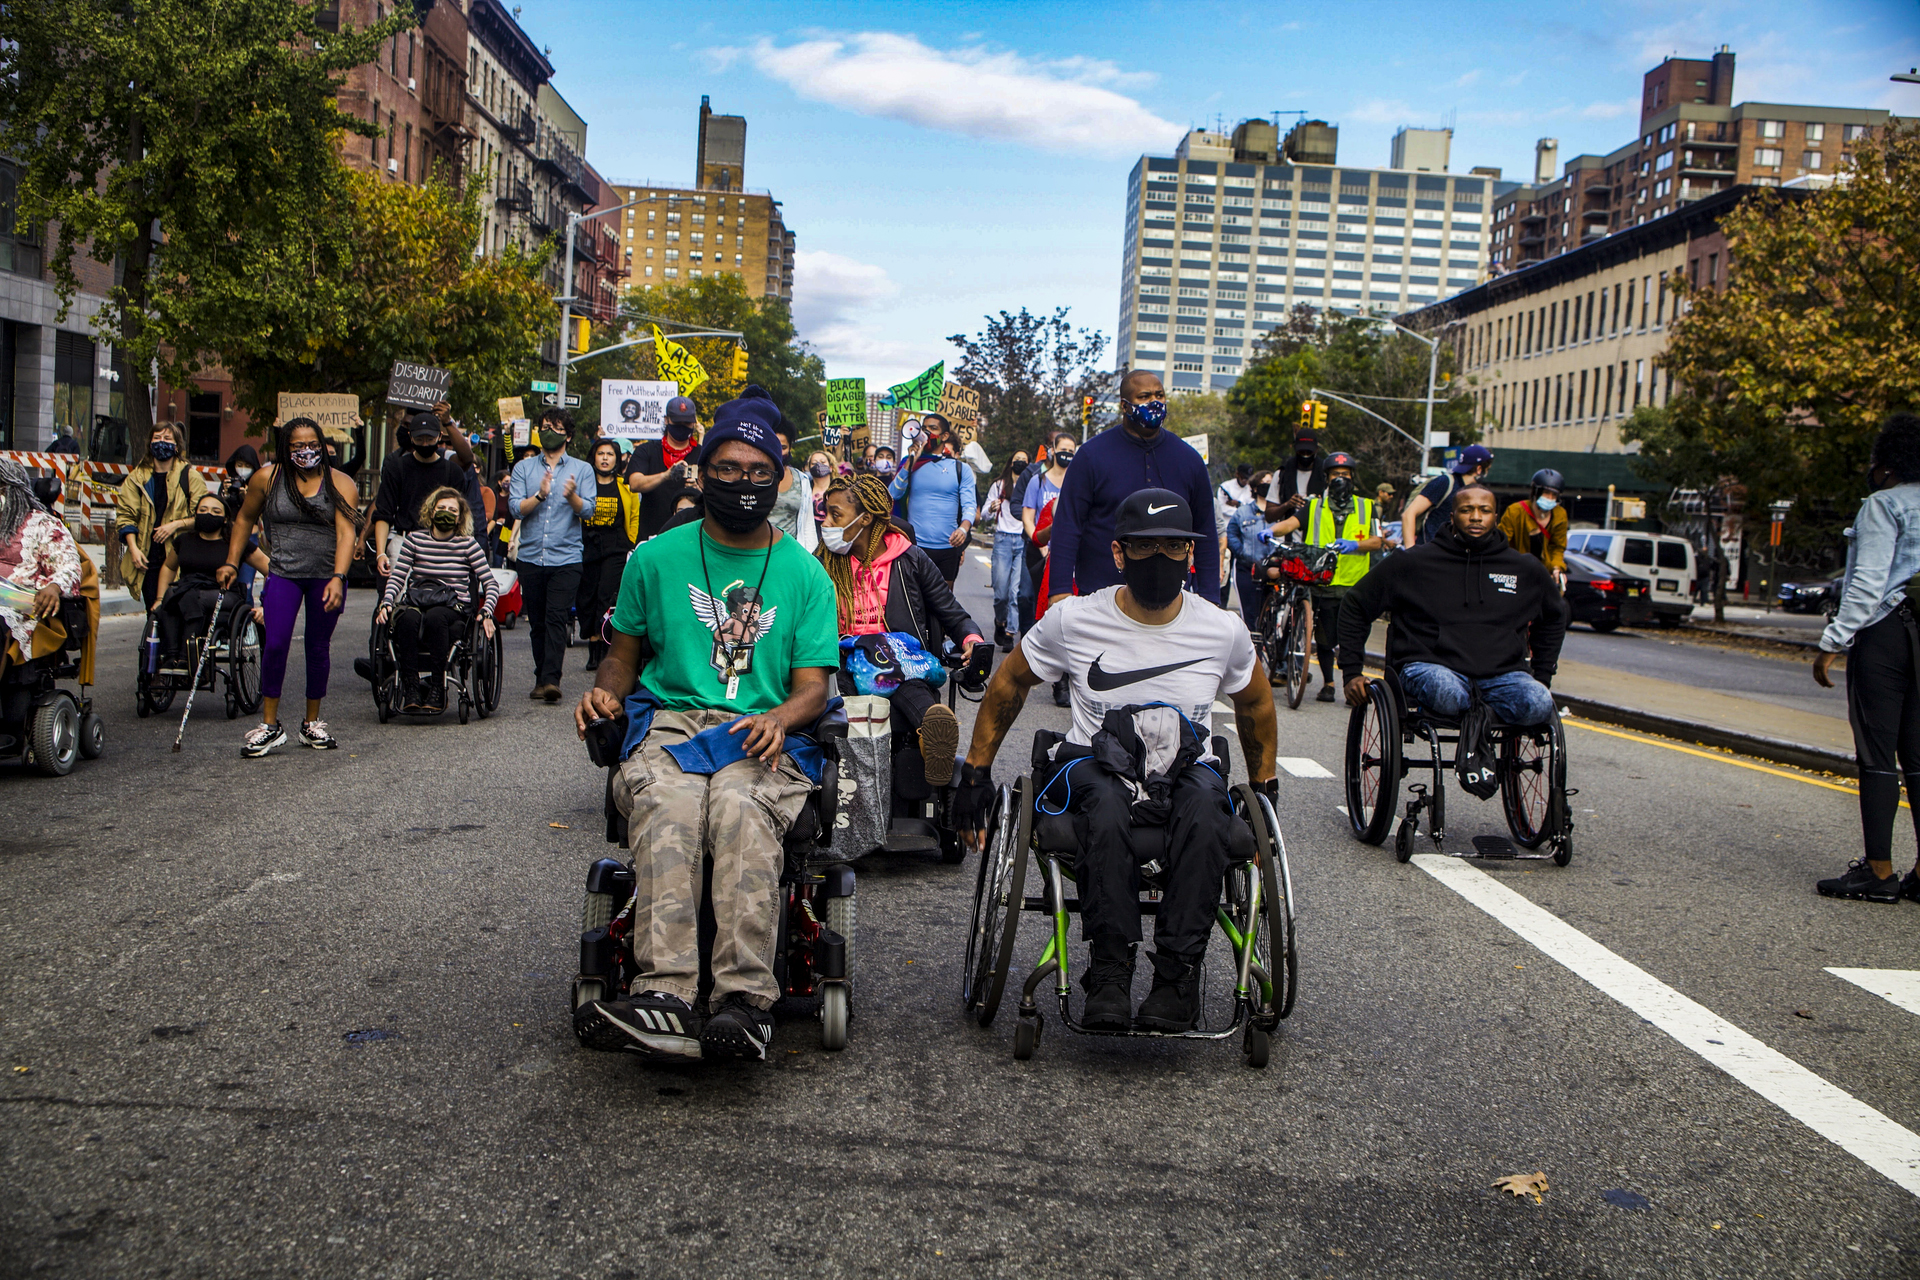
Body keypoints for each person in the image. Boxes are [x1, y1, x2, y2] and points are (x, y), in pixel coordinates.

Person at [571, 386, 841, 1062]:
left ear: (779, 480)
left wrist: (780, 717)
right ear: (703, 471)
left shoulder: (807, 577)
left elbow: (814, 688)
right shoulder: (655, 558)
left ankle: (744, 1002)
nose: (742, 484)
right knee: (670, 801)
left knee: (739, 807)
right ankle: (662, 994)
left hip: (764, 729)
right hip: (672, 722)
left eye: (758, 473)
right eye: (727, 469)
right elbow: (622, 657)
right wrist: (603, 695)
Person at [952, 489, 1279, 1032]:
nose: (1161, 558)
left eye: (1174, 547)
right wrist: (975, 770)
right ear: (1120, 553)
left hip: (1187, 767)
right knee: (1104, 802)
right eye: (1145, 547)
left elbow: (1257, 702)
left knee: (1205, 806)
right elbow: (1009, 680)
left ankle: (1176, 979)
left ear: (1191, 556)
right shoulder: (1076, 620)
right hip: (1094, 763)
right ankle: (1109, 970)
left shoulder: (1221, 630)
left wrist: (1264, 786)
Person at [1337, 482, 1564, 726]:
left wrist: (1542, 675)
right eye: (1467, 510)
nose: (1476, 517)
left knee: (1539, 701)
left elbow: (1555, 616)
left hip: (1503, 674)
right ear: (1452, 516)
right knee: (1448, 694)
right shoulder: (1413, 563)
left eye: (1484, 510)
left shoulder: (1523, 569)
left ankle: (1477, 741)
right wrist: (1352, 673)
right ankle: (1476, 735)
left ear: (1495, 517)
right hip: (1431, 668)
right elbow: (1356, 604)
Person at [1812, 413, 1920, 904]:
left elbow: (1869, 581)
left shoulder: (1884, 505)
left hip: (1887, 634)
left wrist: (1833, 640)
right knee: (1918, 756)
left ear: (1889, 465)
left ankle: (1879, 871)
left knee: (1878, 754)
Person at [818, 473, 984, 786]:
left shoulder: (911, 559)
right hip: (842, 660)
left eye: (835, 515)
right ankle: (860, 784)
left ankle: (933, 741)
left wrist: (972, 641)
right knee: (847, 703)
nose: (826, 523)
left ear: (865, 519)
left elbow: (952, 613)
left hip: (897, 657)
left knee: (914, 691)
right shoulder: (822, 563)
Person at [219, 418, 361, 756]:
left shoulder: (340, 483)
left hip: (326, 576)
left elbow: (346, 534)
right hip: (283, 572)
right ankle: (270, 725)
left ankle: (311, 723)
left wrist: (340, 578)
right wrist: (230, 560)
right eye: (297, 445)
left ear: (324, 445)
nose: (305, 451)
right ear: (286, 447)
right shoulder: (266, 479)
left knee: (317, 645)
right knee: (277, 642)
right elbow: (243, 519)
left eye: (312, 443)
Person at [1047, 370, 1218, 610]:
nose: (1154, 402)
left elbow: (1206, 531)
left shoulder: (1189, 460)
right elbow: (1068, 525)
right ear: (1124, 406)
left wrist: (1211, 598)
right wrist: (1060, 591)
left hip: (1170, 603)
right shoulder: (1091, 456)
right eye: (1144, 396)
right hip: (1100, 598)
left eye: (1159, 395)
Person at [1269, 452, 1384, 701]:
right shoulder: (1313, 506)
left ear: (1352, 477)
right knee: (1324, 638)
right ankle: (1329, 684)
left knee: (1354, 639)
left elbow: (1377, 541)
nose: (1340, 478)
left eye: (1345, 474)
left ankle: (1352, 683)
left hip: (1355, 585)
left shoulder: (1367, 506)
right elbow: (1289, 524)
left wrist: (1355, 545)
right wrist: (1269, 530)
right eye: (1335, 474)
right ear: (1327, 478)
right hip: (1322, 582)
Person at [375, 487, 499, 714]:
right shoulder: (414, 540)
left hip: (452, 606)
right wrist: (386, 602)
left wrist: (487, 611)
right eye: (441, 508)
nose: (446, 513)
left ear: (459, 517)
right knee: (407, 618)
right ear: (431, 512)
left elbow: (490, 583)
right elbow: (398, 576)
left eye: (452, 510)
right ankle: (411, 687)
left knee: (435, 617)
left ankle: (437, 686)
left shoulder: (468, 545)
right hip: (417, 600)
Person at [508, 409, 593, 703]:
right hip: (531, 555)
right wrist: (541, 495)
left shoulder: (582, 469)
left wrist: (571, 496)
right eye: (544, 427)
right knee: (538, 623)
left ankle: (551, 680)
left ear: (567, 435)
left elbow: (589, 509)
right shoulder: (524, 468)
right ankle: (540, 675)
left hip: (566, 557)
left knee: (557, 618)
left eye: (555, 428)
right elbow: (516, 508)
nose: (548, 431)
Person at [149, 493, 268, 671]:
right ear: (195, 514)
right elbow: (169, 567)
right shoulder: (184, 540)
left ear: (225, 518)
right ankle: (171, 656)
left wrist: (266, 605)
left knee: (188, 596)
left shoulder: (235, 544)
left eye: (215, 511)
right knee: (170, 596)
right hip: (186, 590)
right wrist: (159, 598)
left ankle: (187, 658)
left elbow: (270, 569)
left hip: (224, 594)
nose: (208, 514)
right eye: (203, 510)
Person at [0, 458, 83, 668]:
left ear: (13, 491)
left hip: (20, 603)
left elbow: (69, 567)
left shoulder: (44, 525)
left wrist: (54, 587)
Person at [117, 423, 209, 613]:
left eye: (167, 439)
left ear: (177, 446)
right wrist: (133, 549)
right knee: (154, 612)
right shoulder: (137, 478)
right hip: (148, 557)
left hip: (180, 558)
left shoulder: (190, 476)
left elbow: (204, 516)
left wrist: (175, 525)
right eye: (157, 438)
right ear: (150, 443)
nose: (161, 443)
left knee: (178, 611)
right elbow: (126, 516)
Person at [372, 411, 474, 577]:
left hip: (443, 544)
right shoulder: (397, 468)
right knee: (399, 598)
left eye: (430, 439)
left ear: (439, 437)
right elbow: (384, 513)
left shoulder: (452, 472)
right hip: (405, 542)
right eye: (420, 439)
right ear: (411, 438)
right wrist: (380, 552)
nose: (425, 444)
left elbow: (461, 515)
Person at [887, 412, 976, 586]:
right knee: (914, 603)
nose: (927, 433)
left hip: (947, 548)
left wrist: (963, 530)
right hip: (914, 547)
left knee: (942, 605)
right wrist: (909, 463)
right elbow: (892, 495)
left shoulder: (960, 468)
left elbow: (969, 505)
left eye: (933, 429)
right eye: (924, 428)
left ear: (944, 436)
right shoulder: (911, 463)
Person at [1023, 435, 1077, 705]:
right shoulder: (1043, 488)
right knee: (1059, 619)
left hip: (1086, 568)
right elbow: (1037, 535)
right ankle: (1060, 681)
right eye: (1063, 450)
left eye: (1072, 451)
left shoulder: (1087, 490)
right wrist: (1056, 527)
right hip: (1058, 564)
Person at [578, 438, 640, 672]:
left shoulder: (625, 486)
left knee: (606, 595)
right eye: (600, 453)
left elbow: (634, 516)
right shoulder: (585, 484)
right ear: (593, 457)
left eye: (610, 454)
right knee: (587, 596)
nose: (605, 458)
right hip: (587, 545)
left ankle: (602, 650)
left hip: (615, 546)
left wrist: (631, 542)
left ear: (618, 458)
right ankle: (591, 640)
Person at [625, 395, 702, 541]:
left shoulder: (703, 454)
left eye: (687, 423)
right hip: (652, 536)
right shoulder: (646, 450)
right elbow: (634, 484)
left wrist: (698, 489)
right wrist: (666, 475)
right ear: (666, 420)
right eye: (677, 422)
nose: (682, 426)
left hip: (690, 538)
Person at [983, 449, 1032, 650]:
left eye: (1024, 460)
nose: (1020, 463)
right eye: (1017, 459)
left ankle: (1011, 633)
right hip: (1003, 540)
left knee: (1016, 592)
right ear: (1010, 462)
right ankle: (1000, 623)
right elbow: (984, 514)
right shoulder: (999, 485)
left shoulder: (1032, 485)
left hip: (1023, 539)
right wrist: (991, 509)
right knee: (1001, 592)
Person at [1401, 443, 1494, 547]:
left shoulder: (1473, 493)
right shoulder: (1445, 483)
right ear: (1479, 469)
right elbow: (1409, 514)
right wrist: (1410, 552)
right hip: (1430, 555)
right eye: (1487, 470)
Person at [1225, 469, 1279, 630]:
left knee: (1270, 614)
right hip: (1247, 569)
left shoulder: (1279, 512)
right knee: (1250, 615)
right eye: (1264, 483)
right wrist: (1241, 552)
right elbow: (1231, 534)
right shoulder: (1242, 512)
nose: (1268, 487)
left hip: (1272, 570)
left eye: (1271, 483)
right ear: (1255, 488)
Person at [1498, 468, 1570, 586]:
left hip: (1542, 574)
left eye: (1554, 495)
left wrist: (1556, 568)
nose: (1550, 498)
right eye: (1546, 493)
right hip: (1516, 572)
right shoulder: (1515, 511)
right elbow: (1502, 542)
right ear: (1536, 492)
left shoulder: (1560, 514)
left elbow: (1558, 547)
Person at [767, 423, 818, 551]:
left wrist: (810, 559)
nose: (778, 451)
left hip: (791, 553)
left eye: (783, 447)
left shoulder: (802, 480)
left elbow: (808, 525)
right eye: (774, 445)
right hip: (759, 552)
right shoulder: (754, 477)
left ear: (790, 448)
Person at [1264, 429, 1325, 525]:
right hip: (1287, 537)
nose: (1305, 456)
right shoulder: (1282, 474)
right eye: (1301, 452)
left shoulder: (1325, 475)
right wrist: (1288, 504)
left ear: (1316, 450)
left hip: (1316, 536)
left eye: (1309, 452)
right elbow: (1269, 516)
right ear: (1295, 449)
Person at [805, 450, 835, 527]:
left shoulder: (838, 489)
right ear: (809, 469)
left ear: (831, 468)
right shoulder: (804, 490)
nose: (818, 465)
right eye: (814, 463)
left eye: (823, 462)